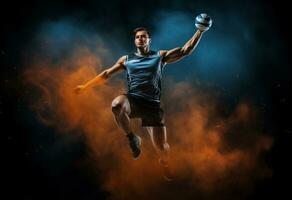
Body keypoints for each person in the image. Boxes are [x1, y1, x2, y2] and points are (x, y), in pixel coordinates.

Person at [74, 14, 212, 181]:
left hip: (152, 105)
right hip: (133, 100)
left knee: (161, 148)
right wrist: (85, 86)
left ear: (149, 40)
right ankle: (133, 139)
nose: (140, 39)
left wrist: (200, 31)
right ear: (135, 41)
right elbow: (106, 74)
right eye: (137, 37)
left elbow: (185, 50)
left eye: (143, 37)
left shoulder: (160, 57)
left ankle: (165, 162)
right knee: (116, 105)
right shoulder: (127, 60)